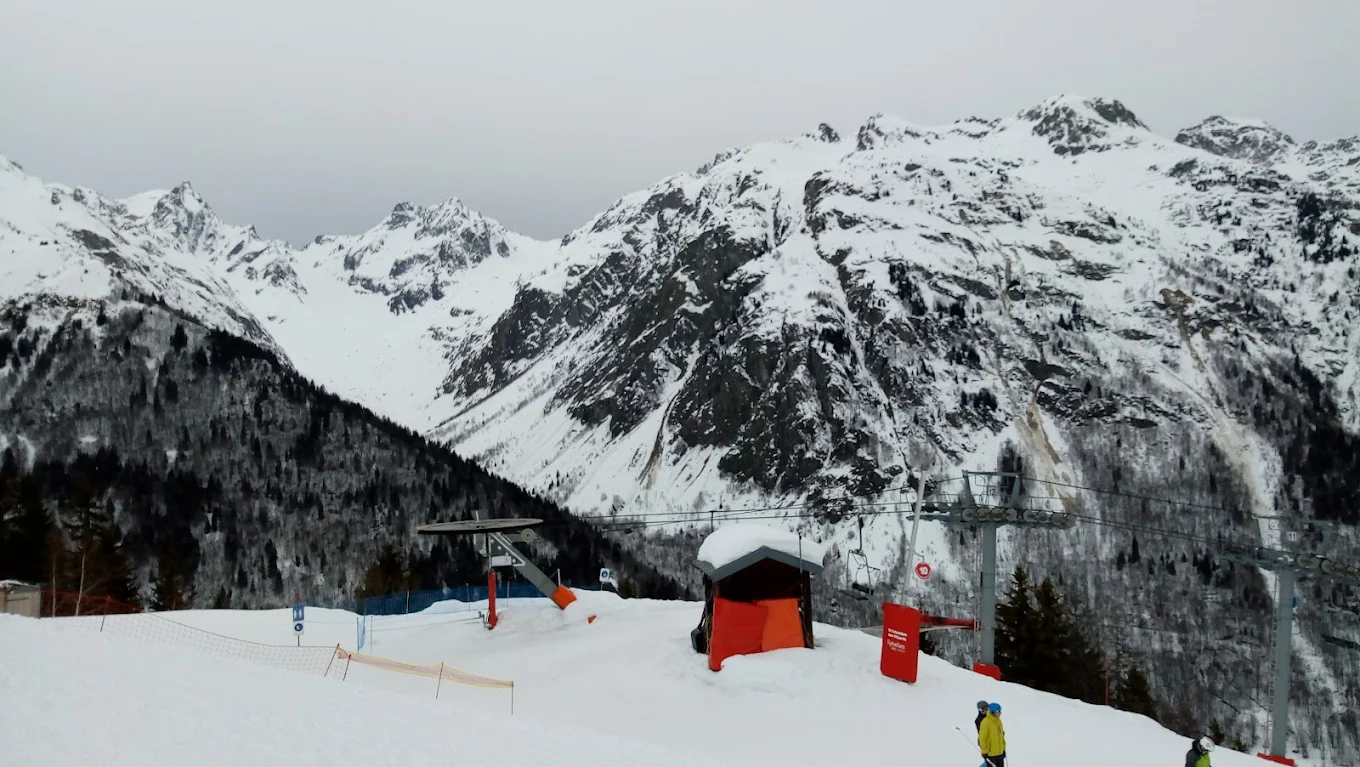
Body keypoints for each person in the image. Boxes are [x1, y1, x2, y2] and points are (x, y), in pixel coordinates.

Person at [978, 702, 1006, 767]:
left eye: (1000, 711)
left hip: (1000, 753)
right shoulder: (985, 722)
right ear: (992, 712)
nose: (1000, 713)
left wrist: (1003, 748)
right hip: (991, 754)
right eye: (997, 712)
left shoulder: (999, 721)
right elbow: (982, 738)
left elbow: (1001, 736)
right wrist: (984, 751)